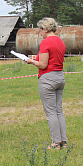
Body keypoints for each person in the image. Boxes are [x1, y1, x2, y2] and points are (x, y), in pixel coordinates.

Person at [26, 17, 67, 149]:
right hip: (60, 76)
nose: (40, 33)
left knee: (51, 112)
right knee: (59, 110)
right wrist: (35, 57)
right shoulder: (60, 41)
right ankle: (63, 141)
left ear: (45, 29)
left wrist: (31, 61)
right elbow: (52, 58)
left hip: (48, 78)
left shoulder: (45, 42)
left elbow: (43, 65)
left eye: (40, 30)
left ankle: (55, 143)